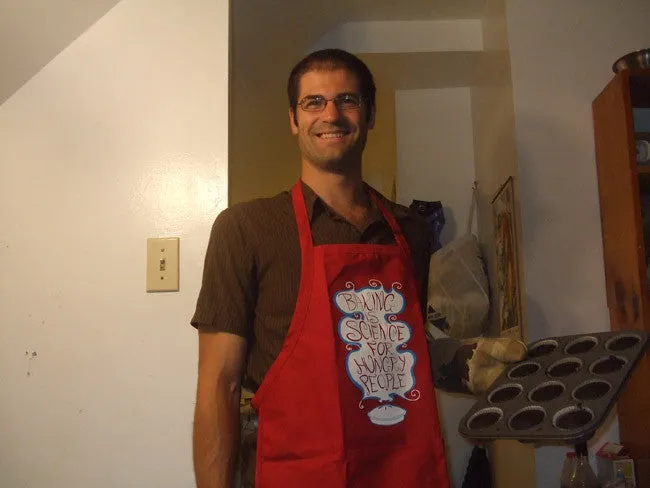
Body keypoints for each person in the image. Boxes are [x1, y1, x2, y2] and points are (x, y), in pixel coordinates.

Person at [191, 48, 526, 488]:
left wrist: (461, 360)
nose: (331, 114)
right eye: (314, 102)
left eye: (347, 100)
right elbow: (219, 384)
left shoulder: (412, 230)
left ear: (369, 115)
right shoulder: (244, 228)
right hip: (300, 471)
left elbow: (398, 344)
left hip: (402, 469)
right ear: (294, 119)